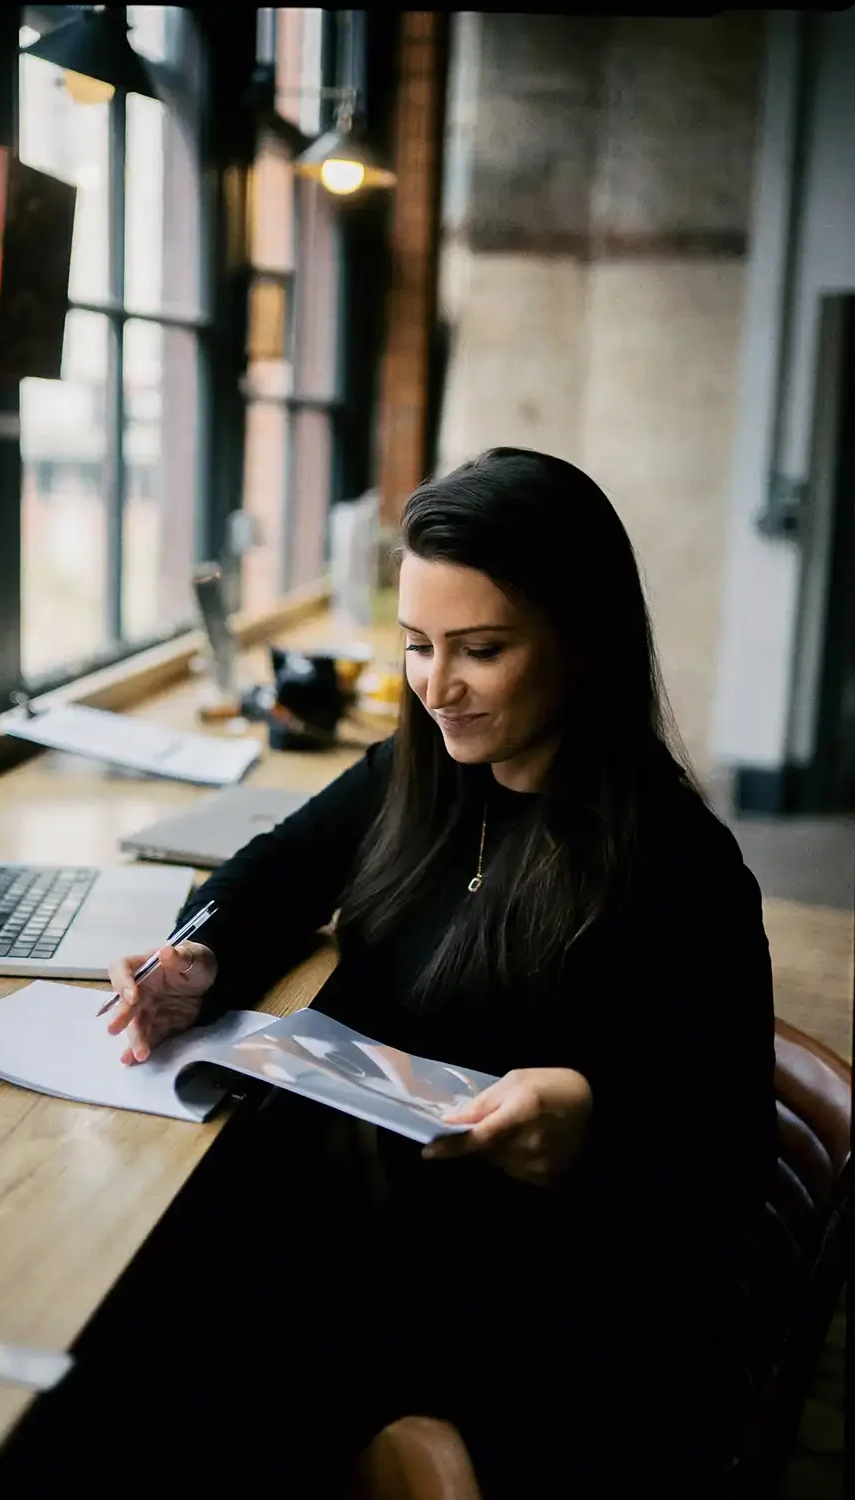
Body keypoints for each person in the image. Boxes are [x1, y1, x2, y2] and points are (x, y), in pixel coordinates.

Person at [104, 448, 777, 1499]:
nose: (436, 685)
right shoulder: (426, 769)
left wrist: (595, 1116)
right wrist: (203, 951)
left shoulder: (680, 871)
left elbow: (722, 1158)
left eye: (482, 650)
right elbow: (276, 867)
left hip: (537, 1290)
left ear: (582, 641)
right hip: (373, 1234)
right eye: (417, 646)